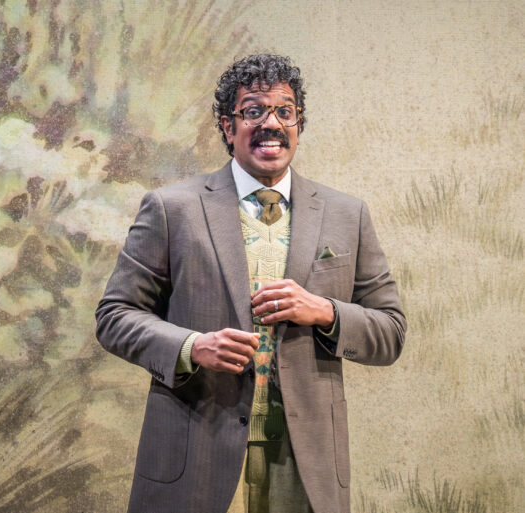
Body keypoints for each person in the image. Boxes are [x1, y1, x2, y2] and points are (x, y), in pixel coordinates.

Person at [95, 54, 406, 513]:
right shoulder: (171, 208)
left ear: (299, 124)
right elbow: (114, 316)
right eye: (253, 110)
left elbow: (391, 331)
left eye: (285, 111)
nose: (271, 123)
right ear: (227, 126)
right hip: (196, 457)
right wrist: (191, 347)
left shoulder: (347, 214)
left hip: (307, 466)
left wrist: (326, 311)